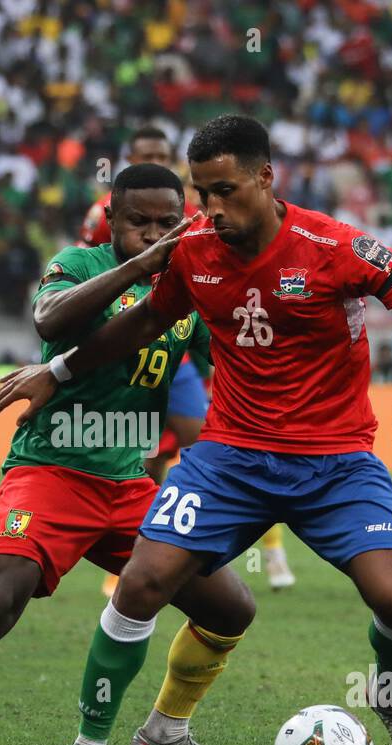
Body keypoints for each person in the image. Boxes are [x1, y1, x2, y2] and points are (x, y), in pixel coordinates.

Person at [0, 115, 392, 745]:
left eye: (226, 191)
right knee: (142, 582)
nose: (212, 210)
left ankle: (391, 695)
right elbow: (144, 320)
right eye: (203, 193)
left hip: (337, 460)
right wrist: (55, 374)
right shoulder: (196, 247)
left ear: (266, 177)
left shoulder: (336, 246)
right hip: (231, 457)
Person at [0, 163, 256, 745]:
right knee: (2, 594)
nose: (152, 233)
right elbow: (49, 321)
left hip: (131, 485)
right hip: (50, 471)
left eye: (167, 222)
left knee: (230, 607)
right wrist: (141, 265)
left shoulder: (188, 287)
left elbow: (232, 351)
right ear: (113, 221)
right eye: (138, 222)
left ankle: (165, 734)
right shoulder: (77, 266)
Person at [86, 125, 296, 594]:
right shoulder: (109, 212)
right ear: (130, 155)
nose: (160, 158)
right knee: (141, 452)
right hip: (129, 342)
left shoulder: (201, 212)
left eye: (164, 152)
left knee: (206, 442)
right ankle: (125, 556)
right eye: (148, 153)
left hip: (182, 344)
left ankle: (273, 551)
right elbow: (92, 266)